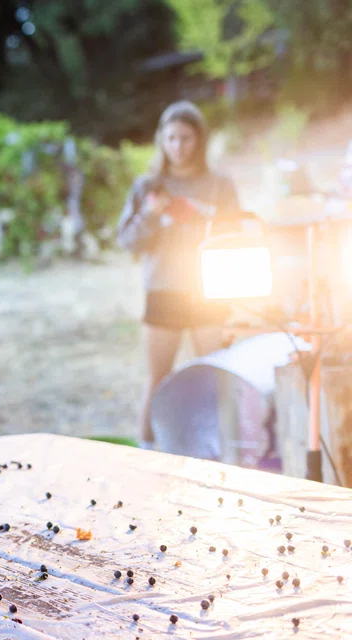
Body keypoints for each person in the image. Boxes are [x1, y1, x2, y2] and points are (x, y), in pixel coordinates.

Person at [117, 101, 241, 450]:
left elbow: (239, 233)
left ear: (199, 139)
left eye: (186, 138)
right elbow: (127, 241)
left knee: (219, 378)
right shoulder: (149, 186)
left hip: (209, 289)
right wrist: (151, 215)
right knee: (158, 377)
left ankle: (228, 450)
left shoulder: (219, 184)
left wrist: (204, 216)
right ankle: (147, 450)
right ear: (161, 140)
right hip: (164, 291)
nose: (178, 146)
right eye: (171, 138)